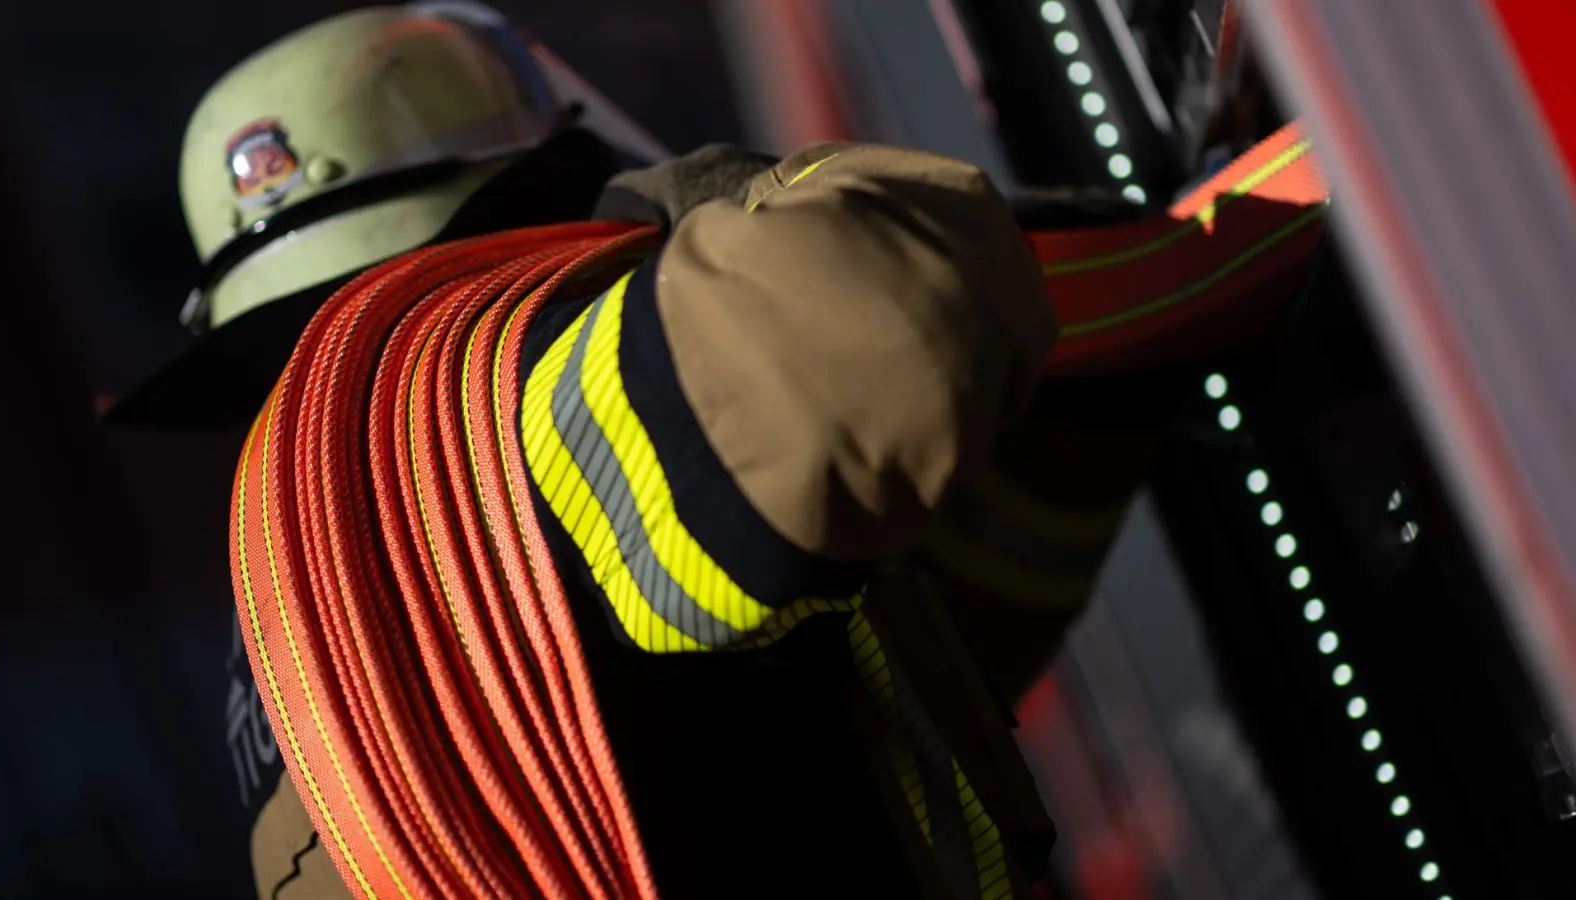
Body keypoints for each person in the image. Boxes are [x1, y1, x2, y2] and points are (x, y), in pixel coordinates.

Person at [115, 6, 1332, 898]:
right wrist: (691, 220)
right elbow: (886, 318)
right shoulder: (517, 424)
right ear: (535, 179)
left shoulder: (301, 635)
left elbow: (891, 643)